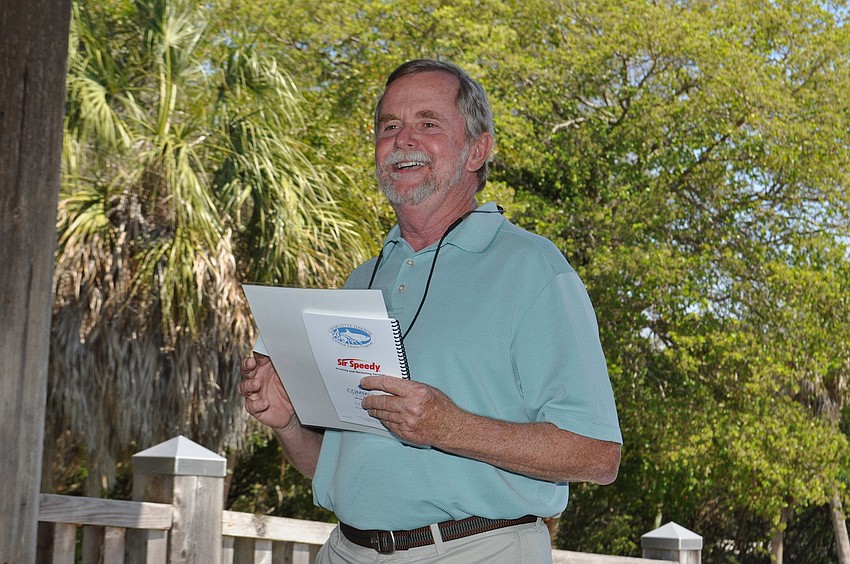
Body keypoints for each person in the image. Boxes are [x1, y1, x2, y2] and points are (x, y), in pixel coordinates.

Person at [239, 59, 622, 563]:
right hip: (345, 551)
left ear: (477, 150)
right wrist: (289, 423)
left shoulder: (533, 268)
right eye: (389, 126)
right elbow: (339, 470)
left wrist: (449, 427)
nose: (402, 139)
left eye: (428, 123)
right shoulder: (362, 279)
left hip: (476, 551)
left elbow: (598, 455)